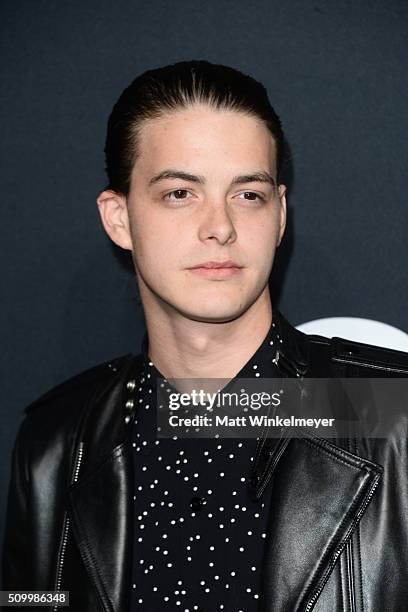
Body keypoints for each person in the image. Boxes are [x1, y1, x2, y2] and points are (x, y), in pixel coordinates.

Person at [2, 60, 408, 612]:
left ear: (281, 214)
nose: (220, 225)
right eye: (179, 193)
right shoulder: (56, 444)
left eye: (248, 195)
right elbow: (26, 601)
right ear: (119, 218)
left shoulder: (392, 416)